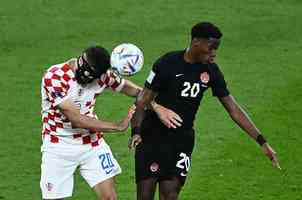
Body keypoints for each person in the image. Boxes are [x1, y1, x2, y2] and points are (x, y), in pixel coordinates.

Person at [129, 22, 281, 200]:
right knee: (145, 196)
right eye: (211, 47)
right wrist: (136, 131)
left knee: (170, 195)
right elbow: (142, 100)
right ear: (196, 43)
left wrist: (261, 141)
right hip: (152, 136)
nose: (214, 53)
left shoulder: (211, 71)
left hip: (182, 140)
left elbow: (233, 109)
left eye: (217, 48)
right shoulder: (167, 63)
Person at [40, 45, 141, 200]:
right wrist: (117, 126)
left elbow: (126, 87)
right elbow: (76, 119)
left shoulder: (102, 76)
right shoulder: (56, 76)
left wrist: (152, 101)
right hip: (58, 145)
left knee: (110, 198)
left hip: (91, 144)